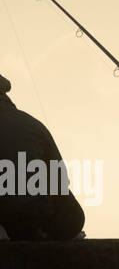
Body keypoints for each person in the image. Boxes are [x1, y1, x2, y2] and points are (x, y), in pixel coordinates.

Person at [0, 73, 85, 241]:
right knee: (72, 213)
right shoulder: (32, 124)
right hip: (37, 218)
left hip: (9, 220)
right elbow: (60, 179)